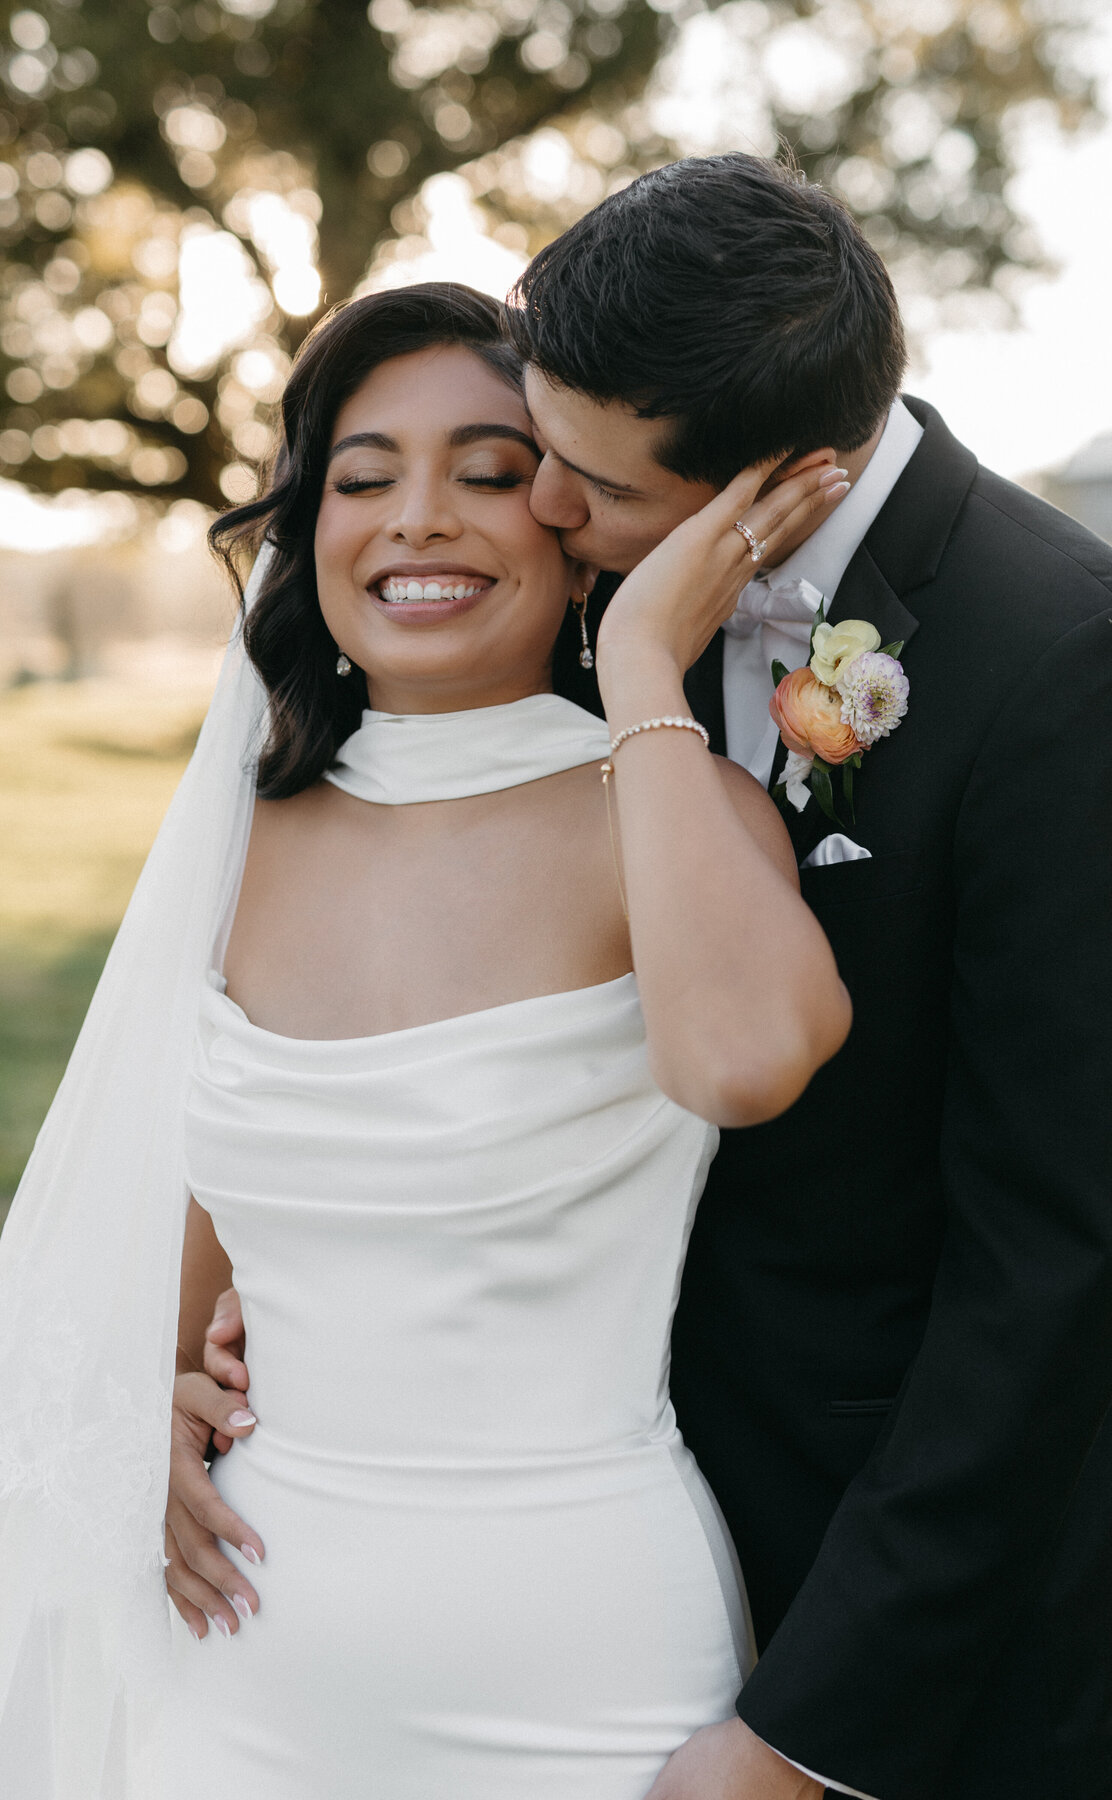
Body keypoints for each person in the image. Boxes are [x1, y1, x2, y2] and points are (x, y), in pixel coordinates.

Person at [173, 159, 1112, 1799]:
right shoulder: (579, 595)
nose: (541, 510)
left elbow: (1051, 1274)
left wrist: (809, 1732)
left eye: (581, 481)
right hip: (562, 1558)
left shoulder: (1067, 660)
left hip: (938, 1657)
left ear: (774, 484)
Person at [0, 279, 853, 1797]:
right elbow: (175, 1272)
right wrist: (160, 1409)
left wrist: (643, 668)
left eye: (488, 471)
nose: (419, 519)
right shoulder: (236, 846)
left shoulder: (665, 810)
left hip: (583, 1666)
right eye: (364, 477)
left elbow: (754, 1054)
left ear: (575, 523)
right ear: (309, 528)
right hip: (244, 1659)